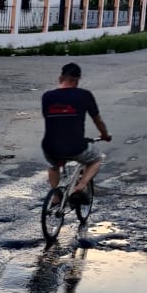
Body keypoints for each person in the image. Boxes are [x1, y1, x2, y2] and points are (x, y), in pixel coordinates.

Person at [41, 62, 111, 204]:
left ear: (61, 78)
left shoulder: (47, 96)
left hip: (50, 146)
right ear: (77, 80)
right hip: (75, 146)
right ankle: (79, 188)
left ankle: (56, 196)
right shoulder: (84, 95)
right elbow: (98, 120)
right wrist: (105, 135)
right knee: (97, 158)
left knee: (53, 165)